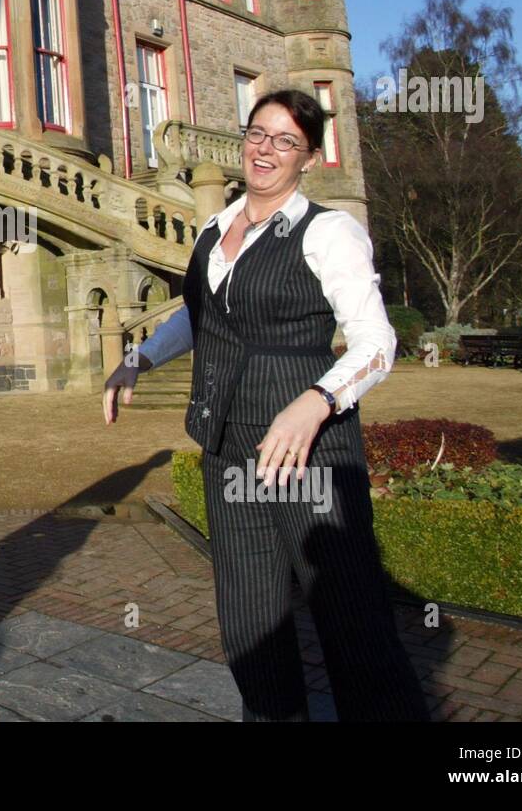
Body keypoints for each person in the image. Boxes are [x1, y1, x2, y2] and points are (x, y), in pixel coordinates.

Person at [104, 89, 430, 722]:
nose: (267, 149)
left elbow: (377, 344)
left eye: (286, 141)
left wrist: (315, 402)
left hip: (311, 458)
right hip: (229, 452)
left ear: (308, 157)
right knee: (252, 632)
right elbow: (200, 320)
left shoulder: (328, 232)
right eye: (259, 133)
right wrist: (139, 358)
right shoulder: (213, 228)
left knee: (353, 631)